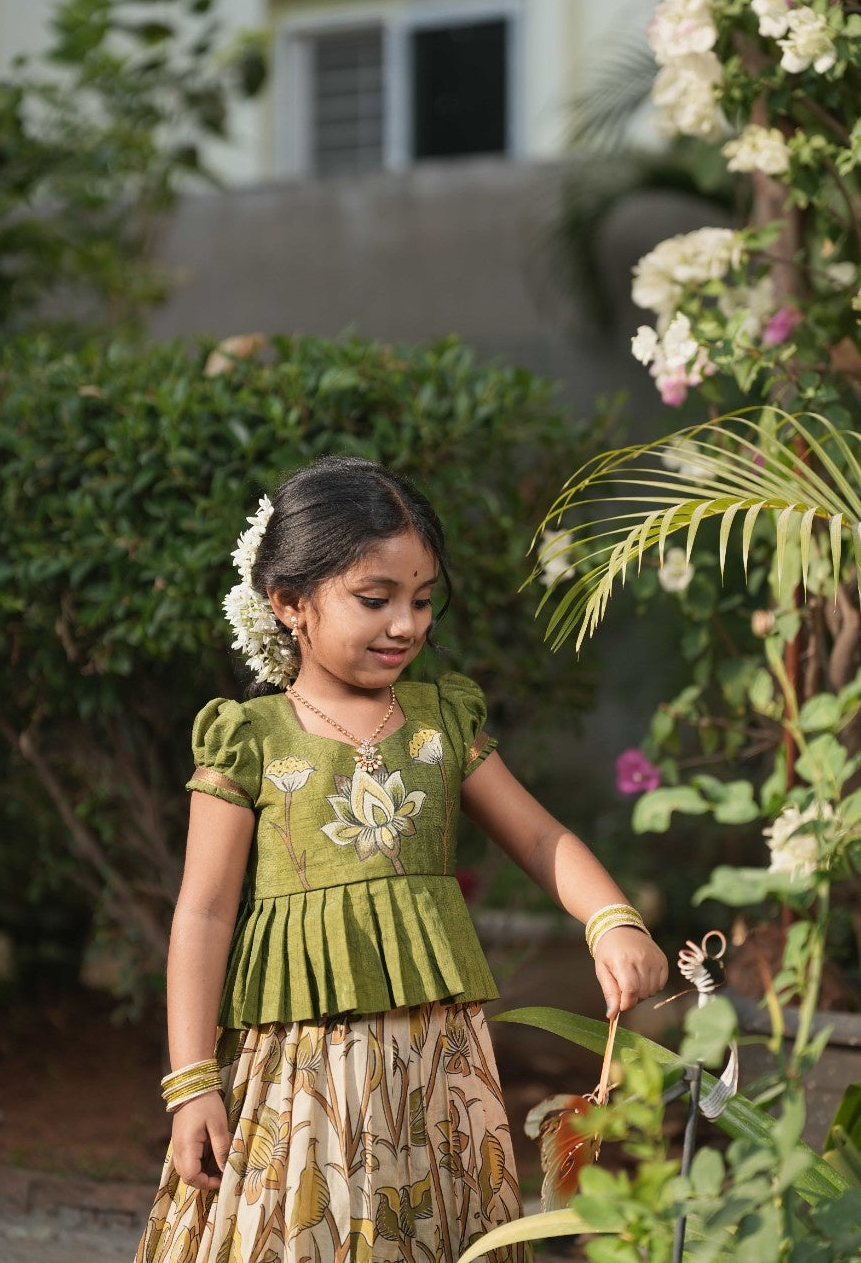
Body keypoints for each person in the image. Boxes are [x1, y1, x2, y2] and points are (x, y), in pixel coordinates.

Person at [135, 455, 667, 1263]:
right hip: (303, 1073)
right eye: (375, 600)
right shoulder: (251, 739)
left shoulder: (438, 723)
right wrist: (191, 1084)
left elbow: (538, 837)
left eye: (422, 601)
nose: (406, 625)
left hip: (437, 1067)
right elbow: (203, 912)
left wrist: (609, 919)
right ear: (289, 604)